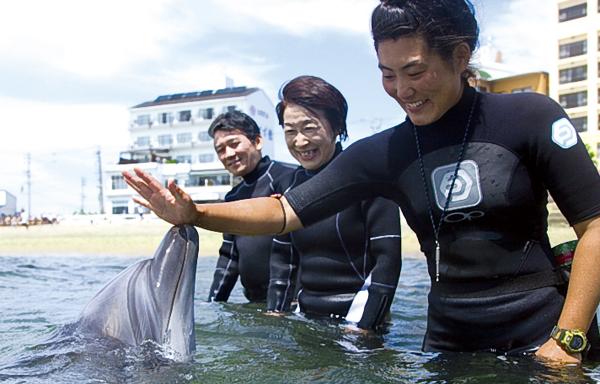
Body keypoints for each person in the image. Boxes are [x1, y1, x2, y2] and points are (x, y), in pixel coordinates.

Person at [123, 0, 600, 365]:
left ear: (460, 56)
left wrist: (569, 337)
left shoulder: (528, 116)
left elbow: (595, 226)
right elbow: (285, 211)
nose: (402, 90)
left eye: (415, 71)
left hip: (544, 330)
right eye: (388, 75)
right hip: (450, 341)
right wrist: (196, 214)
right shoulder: (385, 152)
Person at [266, 75, 401, 331]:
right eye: (290, 131)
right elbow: (283, 260)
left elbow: (388, 261)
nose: (300, 141)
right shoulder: (287, 185)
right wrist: (276, 314)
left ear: (337, 126)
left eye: (309, 128)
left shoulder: (368, 179)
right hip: (305, 318)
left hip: (359, 322)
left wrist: (364, 327)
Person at [206, 111, 296, 303]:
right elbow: (229, 258)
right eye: (220, 149)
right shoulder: (233, 197)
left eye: (234, 143)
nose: (228, 154)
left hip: (291, 302)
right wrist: (213, 304)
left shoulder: (289, 177)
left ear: (257, 141)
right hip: (254, 302)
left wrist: (279, 307)